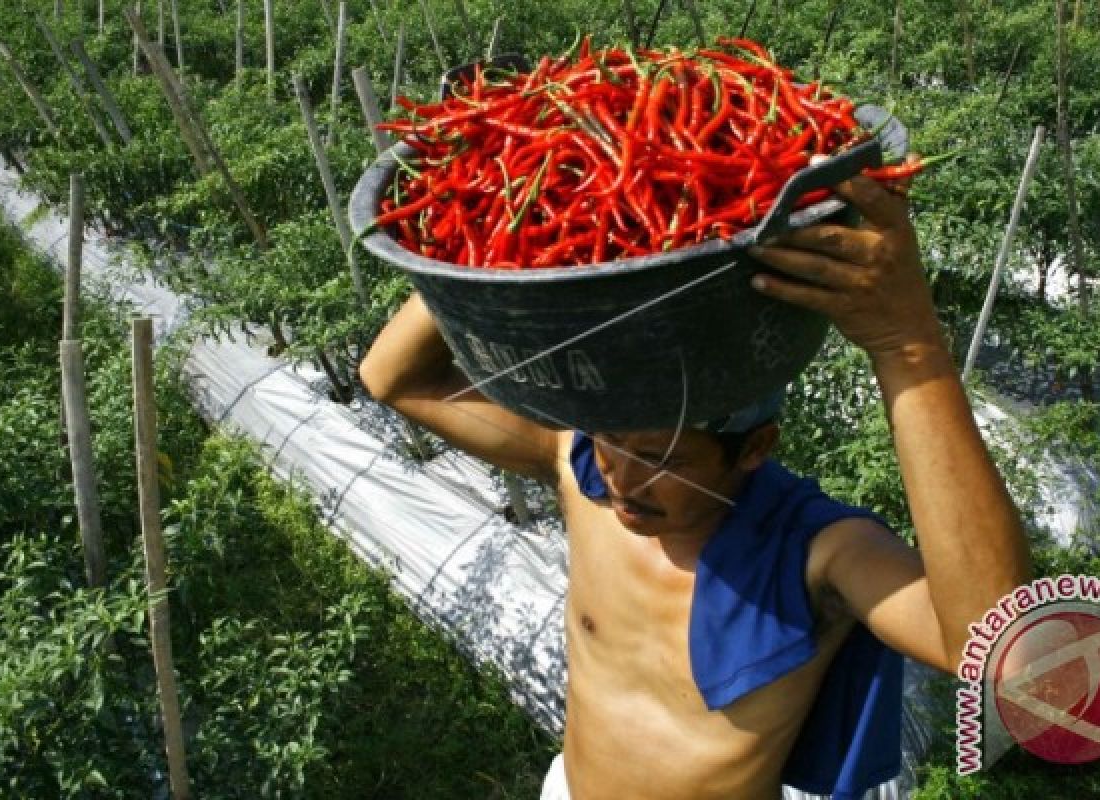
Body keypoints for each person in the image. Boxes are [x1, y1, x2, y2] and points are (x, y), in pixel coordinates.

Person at [358, 171, 1033, 800]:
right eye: (610, 439)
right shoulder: (580, 466)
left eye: (662, 457)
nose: (621, 477)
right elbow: (392, 377)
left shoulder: (815, 555)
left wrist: (907, 342)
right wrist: (497, 239)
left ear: (754, 448)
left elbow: (995, 646)